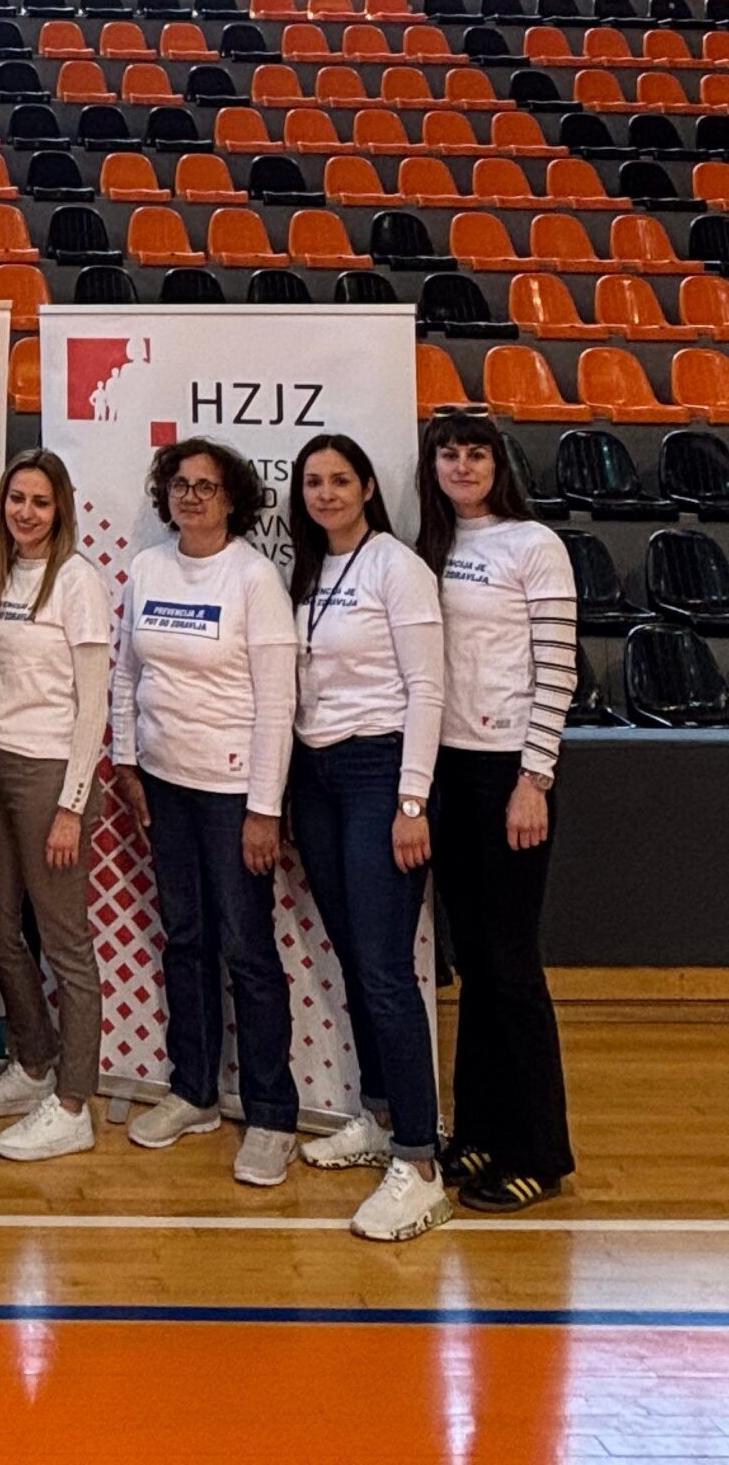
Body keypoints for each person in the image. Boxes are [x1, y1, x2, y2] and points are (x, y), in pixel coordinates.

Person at [109, 436, 300, 1187]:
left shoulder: (254, 578)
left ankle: (273, 1115)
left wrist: (264, 809)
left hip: (232, 796)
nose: (191, 497)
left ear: (232, 500)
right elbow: (127, 673)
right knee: (185, 939)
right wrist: (127, 761)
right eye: (180, 485)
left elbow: (277, 703)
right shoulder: (149, 568)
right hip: (164, 786)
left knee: (248, 951)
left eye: (206, 487)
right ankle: (193, 1093)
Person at [285, 432, 449, 1243]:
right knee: (355, 957)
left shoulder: (397, 567)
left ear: (368, 489)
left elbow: (428, 687)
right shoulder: (310, 569)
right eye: (314, 482)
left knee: (385, 970)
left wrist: (412, 800)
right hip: (315, 775)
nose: (326, 494)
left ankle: (421, 1163)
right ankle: (381, 1118)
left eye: (340, 480)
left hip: (380, 773)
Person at [415, 409, 577, 1213]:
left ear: (498, 464)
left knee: (512, 968)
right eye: (449, 455)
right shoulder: (432, 547)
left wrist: (534, 779)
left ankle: (540, 1154)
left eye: (475, 454)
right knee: (475, 965)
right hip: (447, 771)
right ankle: (479, 1132)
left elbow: (558, 669)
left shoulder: (533, 545)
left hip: (510, 773)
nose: (462, 467)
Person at [0, 449, 112, 1165]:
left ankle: (74, 1102)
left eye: (40, 502)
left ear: (61, 510)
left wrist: (72, 806)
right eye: (16, 498)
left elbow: (94, 703)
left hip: (50, 774)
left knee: (65, 942)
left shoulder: (78, 581)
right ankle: (34, 1060)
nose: (26, 512)